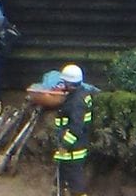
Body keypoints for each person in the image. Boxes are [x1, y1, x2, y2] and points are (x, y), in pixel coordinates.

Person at [54, 64, 93, 196]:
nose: (63, 84)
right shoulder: (80, 94)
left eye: (64, 82)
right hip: (74, 147)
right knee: (67, 181)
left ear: (70, 83)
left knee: (75, 183)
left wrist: (64, 144)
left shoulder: (76, 101)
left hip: (73, 150)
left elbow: (76, 127)